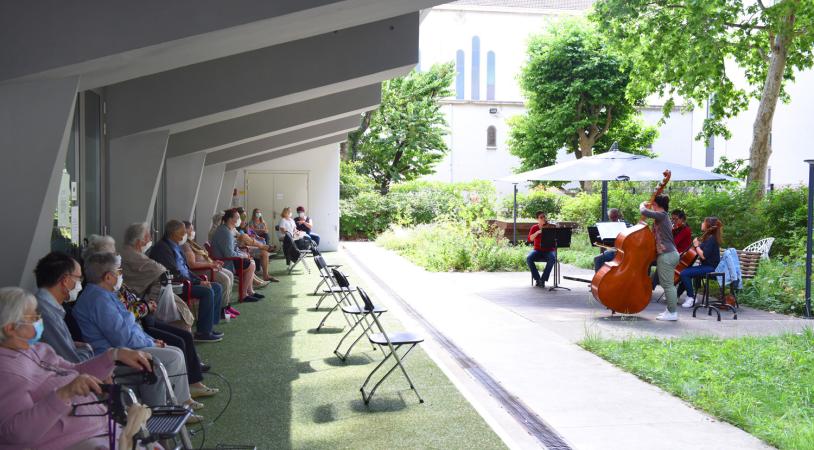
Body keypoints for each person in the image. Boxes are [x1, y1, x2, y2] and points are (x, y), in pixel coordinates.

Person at [0, 286, 153, 450]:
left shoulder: (39, 349)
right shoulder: (5, 371)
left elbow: (75, 371)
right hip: (75, 442)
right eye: (32, 318)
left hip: (101, 428)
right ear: (10, 328)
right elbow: (16, 434)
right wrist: (64, 393)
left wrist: (114, 355)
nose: (39, 321)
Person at [72, 252, 201, 413]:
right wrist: (150, 343)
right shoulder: (98, 300)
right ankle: (164, 410)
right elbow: (122, 338)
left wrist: (151, 340)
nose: (121, 275)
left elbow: (131, 326)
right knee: (173, 357)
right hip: (113, 355)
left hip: (127, 346)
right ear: (108, 277)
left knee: (176, 351)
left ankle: (181, 403)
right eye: (118, 271)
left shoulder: (106, 295)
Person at [149, 220, 224, 342]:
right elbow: (173, 273)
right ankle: (203, 332)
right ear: (174, 233)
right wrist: (198, 283)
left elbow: (186, 269)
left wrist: (199, 280)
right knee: (207, 292)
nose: (185, 234)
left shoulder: (177, 246)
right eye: (183, 232)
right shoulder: (162, 248)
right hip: (176, 284)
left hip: (187, 280)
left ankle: (209, 326)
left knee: (216, 287)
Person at [34, 252, 94, 363]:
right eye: (79, 278)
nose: (80, 284)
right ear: (65, 281)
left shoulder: (47, 308)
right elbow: (75, 363)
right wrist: (86, 349)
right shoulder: (46, 314)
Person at [181, 220, 240, 318]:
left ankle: (227, 306)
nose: (193, 231)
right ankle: (221, 310)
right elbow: (191, 265)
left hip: (207, 267)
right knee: (225, 280)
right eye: (191, 229)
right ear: (185, 231)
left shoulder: (191, 242)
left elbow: (203, 257)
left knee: (230, 274)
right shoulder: (185, 245)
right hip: (200, 271)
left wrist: (214, 263)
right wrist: (211, 265)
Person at [210, 209, 265, 302]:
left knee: (251, 261)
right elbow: (229, 254)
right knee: (251, 264)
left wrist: (243, 254)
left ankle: (250, 291)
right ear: (230, 219)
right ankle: (243, 295)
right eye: (238, 217)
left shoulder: (228, 229)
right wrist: (243, 256)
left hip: (228, 259)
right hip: (225, 262)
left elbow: (234, 248)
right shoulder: (225, 232)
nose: (240, 219)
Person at [641, 195, 680, 321]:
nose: (651, 206)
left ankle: (673, 313)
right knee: (667, 284)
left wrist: (643, 204)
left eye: (652, 204)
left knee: (668, 285)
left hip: (667, 255)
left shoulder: (662, 215)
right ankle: (669, 311)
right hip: (668, 254)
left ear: (656, 204)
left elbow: (644, 211)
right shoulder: (662, 217)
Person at [679, 217, 723, 308]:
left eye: (704, 222)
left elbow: (703, 256)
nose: (702, 223)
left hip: (711, 268)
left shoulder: (712, 239)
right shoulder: (708, 237)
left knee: (684, 273)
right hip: (706, 266)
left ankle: (691, 298)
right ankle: (676, 295)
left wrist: (696, 246)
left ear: (708, 225)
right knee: (686, 272)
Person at [526, 211, 557, 288]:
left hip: (549, 250)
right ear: (537, 219)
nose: (543, 218)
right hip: (537, 250)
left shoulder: (551, 226)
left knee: (552, 258)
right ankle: (537, 279)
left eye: (544, 216)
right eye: (541, 217)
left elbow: (556, 238)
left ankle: (543, 280)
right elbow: (530, 239)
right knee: (529, 258)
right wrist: (537, 232)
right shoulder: (534, 227)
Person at [593, 208, 627, 272]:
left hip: (623, 251)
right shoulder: (607, 227)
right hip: (611, 251)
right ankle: (599, 278)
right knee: (597, 259)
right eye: (611, 217)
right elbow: (602, 242)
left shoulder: (625, 225)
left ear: (619, 216)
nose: (613, 219)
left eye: (615, 217)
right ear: (609, 217)